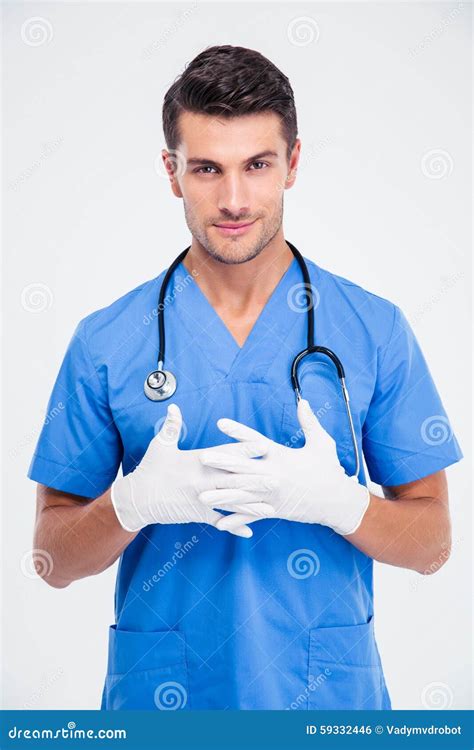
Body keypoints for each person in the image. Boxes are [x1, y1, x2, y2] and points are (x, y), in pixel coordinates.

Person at [28, 45, 463, 711]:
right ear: (172, 173)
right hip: (164, 707)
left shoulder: (374, 329)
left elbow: (433, 545)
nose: (233, 200)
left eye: (256, 165)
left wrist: (344, 506)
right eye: (206, 168)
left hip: (326, 706)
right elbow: (52, 561)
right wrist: (129, 505)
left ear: (292, 163)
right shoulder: (107, 341)